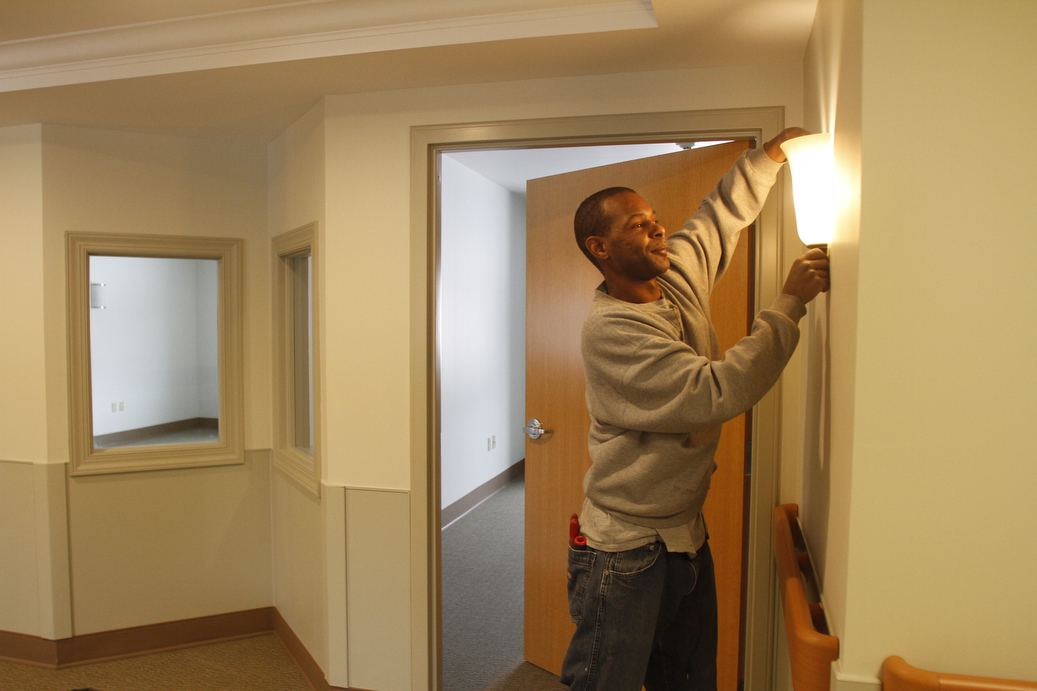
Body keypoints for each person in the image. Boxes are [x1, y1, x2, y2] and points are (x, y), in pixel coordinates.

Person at [561, 128, 829, 691]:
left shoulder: (673, 278)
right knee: (603, 683)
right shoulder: (611, 331)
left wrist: (768, 157)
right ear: (600, 248)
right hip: (625, 546)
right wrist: (789, 305)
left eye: (654, 217)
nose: (658, 228)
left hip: (684, 535)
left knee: (686, 679)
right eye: (637, 224)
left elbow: (715, 219)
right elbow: (714, 392)